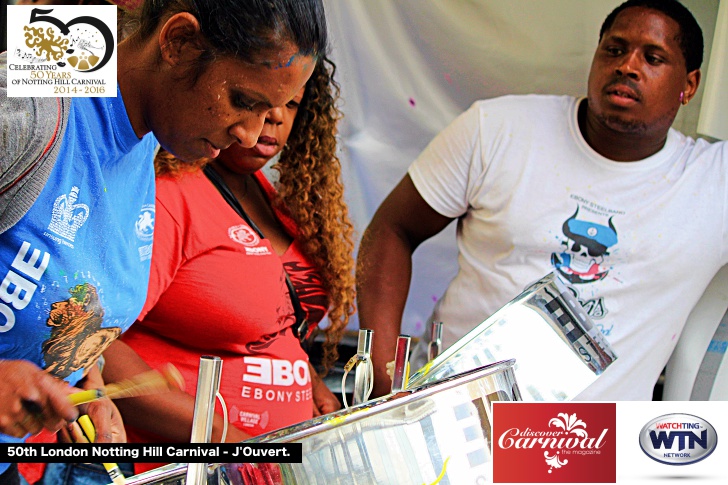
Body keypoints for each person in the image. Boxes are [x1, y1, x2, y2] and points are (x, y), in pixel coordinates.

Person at [0, 0, 328, 482]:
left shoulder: (151, 134)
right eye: (242, 100)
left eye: (272, 110)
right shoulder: (31, 107)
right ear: (177, 43)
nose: (249, 134)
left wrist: (86, 380)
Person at [356, 0, 727, 401]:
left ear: (689, 85)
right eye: (614, 49)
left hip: (592, 448)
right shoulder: (497, 129)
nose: (627, 66)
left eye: (653, 58)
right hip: (457, 424)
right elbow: (393, 229)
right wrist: (381, 377)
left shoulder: (713, 182)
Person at [91, 54, 354, 479]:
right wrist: (226, 438)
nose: (273, 119)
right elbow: (94, 344)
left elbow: (265, 327)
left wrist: (308, 382)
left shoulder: (272, 198)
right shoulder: (172, 195)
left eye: (291, 104)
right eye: (256, 101)